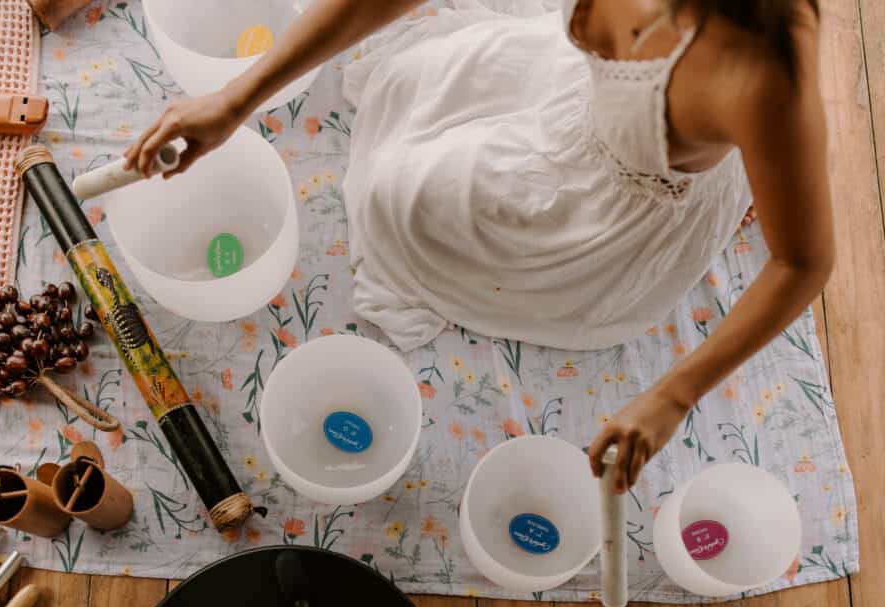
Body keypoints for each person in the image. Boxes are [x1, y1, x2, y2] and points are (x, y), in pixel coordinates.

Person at [126, 0, 833, 495]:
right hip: (559, 94)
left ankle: (752, 181)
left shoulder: (764, 72)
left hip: (614, 208)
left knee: (400, 201)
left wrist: (674, 395)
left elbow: (804, 260)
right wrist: (237, 97)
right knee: (401, 125)